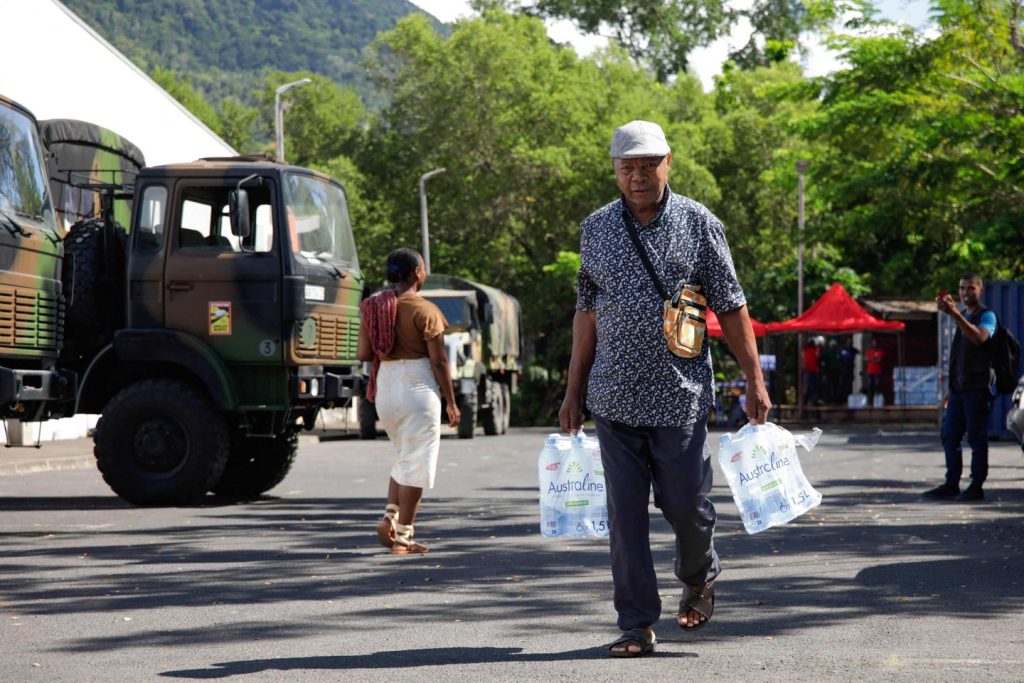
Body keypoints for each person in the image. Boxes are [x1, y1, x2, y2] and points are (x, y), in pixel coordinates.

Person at [559, 120, 770, 658]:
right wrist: (573, 389)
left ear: (668, 163)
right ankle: (636, 623)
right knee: (625, 517)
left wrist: (754, 379)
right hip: (612, 396)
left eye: (648, 165)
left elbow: (731, 304)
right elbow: (587, 310)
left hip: (680, 397)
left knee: (686, 506)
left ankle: (699, 576)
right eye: (627, 167)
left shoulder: (699, 223)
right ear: (614, 170)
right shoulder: (595, 227)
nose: (637, 176)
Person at [357, 248, 461, 553]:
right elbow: (439, 362)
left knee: (404, 456)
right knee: (416, 465)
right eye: (424, 268)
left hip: (386, 389)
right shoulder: (425, 310)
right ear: (416, 273)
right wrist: (451, 402)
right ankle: (403, 537)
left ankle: (390, 517)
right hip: (417, 389)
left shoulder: (372, 307)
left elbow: (363, 354)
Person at [923, 274, 997, 502]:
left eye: (970, 288)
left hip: (977, 389)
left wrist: (954, 314)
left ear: (980, 290)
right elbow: (959, 357)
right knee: (949, 435)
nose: (965, 293)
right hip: (959, 390)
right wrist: (951, 390)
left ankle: (976, 486)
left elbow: (980, 339)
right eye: (962, 288)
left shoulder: (987, 316)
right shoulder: (963, 316)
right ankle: (951, 484)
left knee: (976, 437)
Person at [820, 338, 842, 404]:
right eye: (832, 345)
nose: (833, 346)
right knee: (828, 386)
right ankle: (827, 400)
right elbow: (822, 360)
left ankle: (835, 400)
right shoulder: (827, 352)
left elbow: (840, 361)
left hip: (836, 372)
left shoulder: (838, 352)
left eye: (834, 345)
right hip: (828, 372)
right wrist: (824, 371)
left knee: (836, 386)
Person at [864, 337, 885, 406]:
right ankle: (870, 402)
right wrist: (874, 358)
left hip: (877, 371)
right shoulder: (869, 350)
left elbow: (879, 360)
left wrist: (871, 359)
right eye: (873, 343)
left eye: (876, 343)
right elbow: (866, 359)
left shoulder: (880, 351)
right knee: (870, 386)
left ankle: (877, 402)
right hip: (870, 371)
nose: (875, 344)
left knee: (877, 385)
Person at [838, 338, 859, 403]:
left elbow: (859, 352)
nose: (849, 343)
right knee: (842, 384)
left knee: (849, 385)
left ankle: (848, 399)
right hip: (843, 369)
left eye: (850, 342)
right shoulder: (843, 349)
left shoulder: (853, 350)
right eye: (848, 342)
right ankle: (841, 399)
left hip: (850, 369)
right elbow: (839, 357)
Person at [802, 337, 821, 406]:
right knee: (807, 388)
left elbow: (818, 358)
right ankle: (805, 403)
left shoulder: (815, 350)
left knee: (813, 388)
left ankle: (813, 402)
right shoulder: (806, 349)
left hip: (814, 371)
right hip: (809, 371)